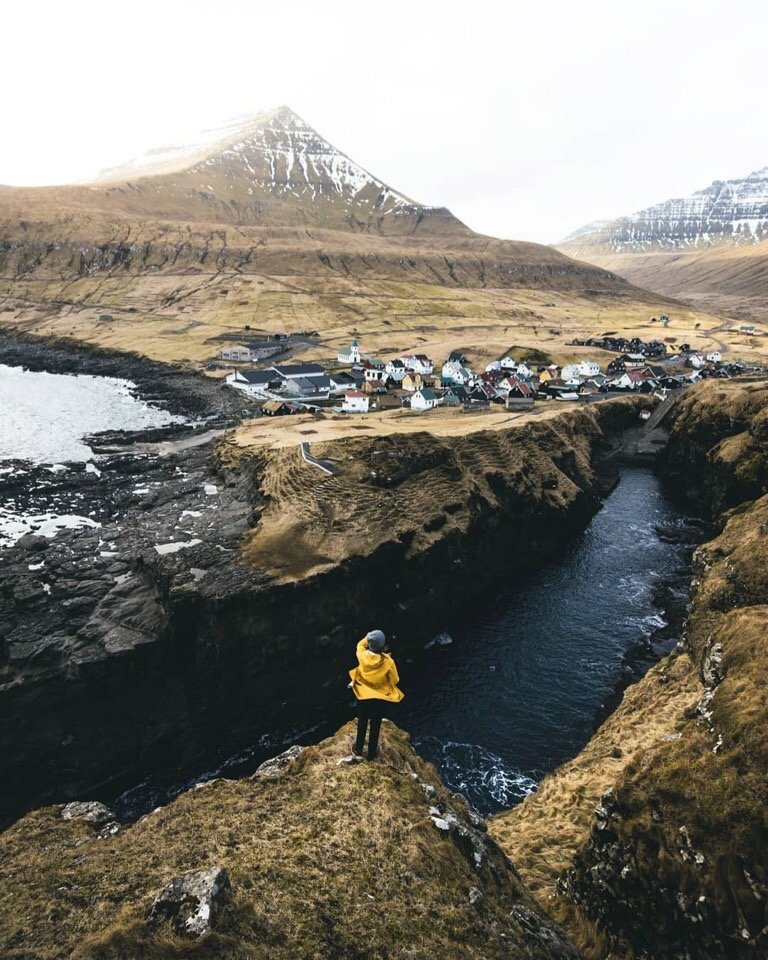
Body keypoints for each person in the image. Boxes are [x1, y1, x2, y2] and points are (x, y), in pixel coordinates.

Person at [348, 629, 404, 760]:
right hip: (378, 698)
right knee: (375, 725)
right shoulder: (388, 662)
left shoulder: (361, 655)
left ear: (369, 643)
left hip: (363, 695)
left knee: (362, 722)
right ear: (382, 645)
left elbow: (360, 645)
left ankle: (358, 749)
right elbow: (395, 680)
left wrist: (368, 636)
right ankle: (371, 754)